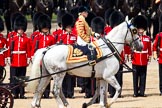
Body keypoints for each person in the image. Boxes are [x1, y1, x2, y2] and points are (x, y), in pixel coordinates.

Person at [31, 14, 56, 98]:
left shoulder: (51, 38)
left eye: (46, 27)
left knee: (47, 77)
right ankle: (38, 92)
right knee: (38, 76)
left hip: (48, 60)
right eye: (44, 27)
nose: (45, 29)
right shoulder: (37, 37)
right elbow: (33, 48)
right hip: (39, 59)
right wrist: (32, 57)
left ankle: (46, 93)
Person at [7, 15, 30, 99]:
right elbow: (9, 49)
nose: (20, 30)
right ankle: (14, 93)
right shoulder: (12, 38)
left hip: (23, 60)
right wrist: (8, 58)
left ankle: (22, 93)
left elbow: (28, 49)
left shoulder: (26, 39)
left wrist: (28, 59)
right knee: (14, 78)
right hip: (14, 60)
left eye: (22, 29)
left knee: (22, 78)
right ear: (16, 29)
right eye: (19, 29)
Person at [104, 10, 125, 98]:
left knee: (119, 75)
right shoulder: (108, 30)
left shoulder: (122, 31)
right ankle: (111, 92)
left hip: (120, 56)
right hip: (110, 57)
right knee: (111, 75)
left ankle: (118, 93)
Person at [131, 15, 152, 97]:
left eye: (142, 29)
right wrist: (130, 56)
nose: (140, 30)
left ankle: (142, 92)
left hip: (143, 60)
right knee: (135, 77)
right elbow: (130, 48)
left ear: (144, 29)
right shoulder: (134, 38)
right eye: (139, 29)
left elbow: (149, 49)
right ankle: (135, 92)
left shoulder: (147, 38)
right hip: (135, 59)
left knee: (143, 77)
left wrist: (149, 56)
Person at [58, 13, 77, 98]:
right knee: (63, 76)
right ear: (65, 28)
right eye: (68, 27)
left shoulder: (74, 36)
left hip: (71, 58)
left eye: (70, 27)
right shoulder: (61, 36)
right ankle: (64, 92)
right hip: (63, 58)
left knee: (71, 76)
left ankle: (71, 93)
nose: (70, 29)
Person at [153, 13, 162, 96]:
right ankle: (161, 89)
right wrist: (155, 54)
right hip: (161, 58)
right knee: (161, 75)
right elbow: (155, 45)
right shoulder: (159, 35)